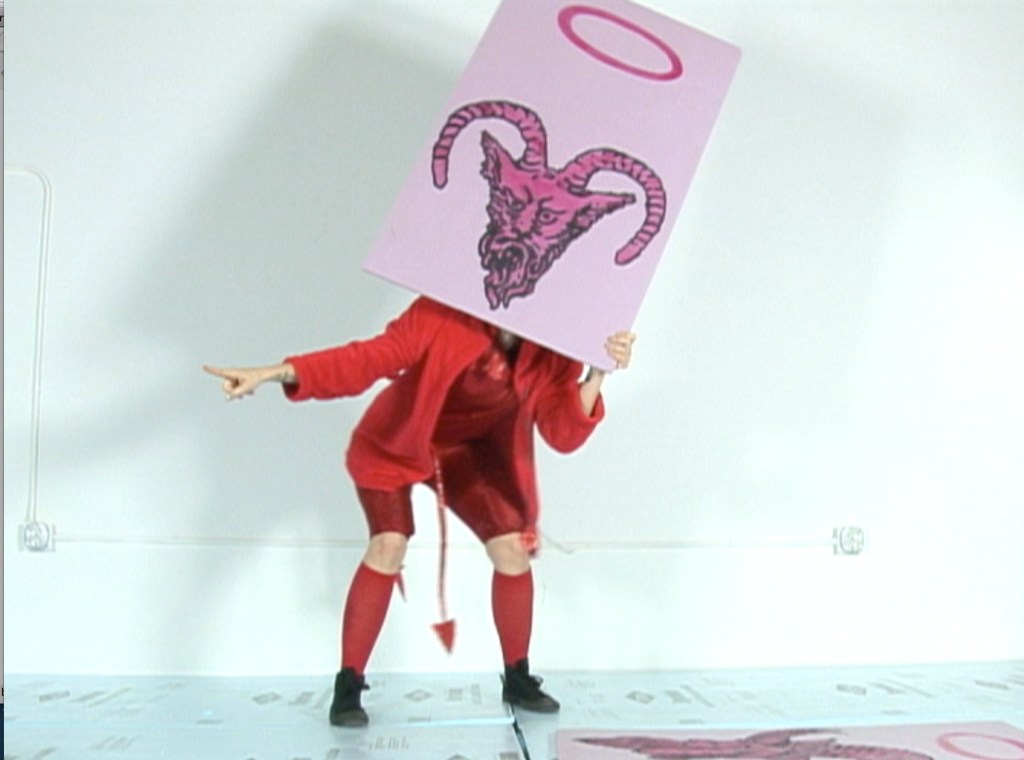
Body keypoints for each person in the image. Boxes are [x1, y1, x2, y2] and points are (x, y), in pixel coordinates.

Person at [204, 296, 634, 727]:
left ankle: (518, 678)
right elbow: (368, 359)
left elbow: (561, 432)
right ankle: (348, 685)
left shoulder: (551, 345)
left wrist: (597, 372)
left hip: (471, 453)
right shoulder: (441, 312)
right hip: (400, 441)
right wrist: (276, 372)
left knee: (512, 550)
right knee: (388, 544)